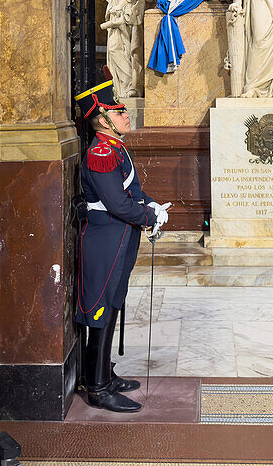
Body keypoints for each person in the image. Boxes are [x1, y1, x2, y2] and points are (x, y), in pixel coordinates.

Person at [73, 79, 170, 412]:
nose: (125, 115)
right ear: (102, 118)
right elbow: (116, 202)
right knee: (100, 308)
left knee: (114, 302)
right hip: (106, 237)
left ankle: (102, 373)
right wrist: (147, 215)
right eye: (118, 111)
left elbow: (133, 191)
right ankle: (97, 387)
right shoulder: (101, 152)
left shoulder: (115, 147)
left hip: (120, 234)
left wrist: (153, 207)